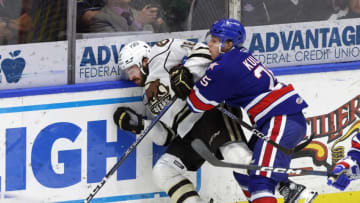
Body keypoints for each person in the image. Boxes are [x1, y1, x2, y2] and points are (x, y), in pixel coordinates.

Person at [170, 18, 315, 203]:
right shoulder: (241, 55)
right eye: (210, 39)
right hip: (281, 119)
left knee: (261, 181)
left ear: (228, 44)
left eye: (215, 41)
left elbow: (196, 104)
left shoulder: (223, 67)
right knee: (245, 174)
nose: (209, 45)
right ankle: (288, 187)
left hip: (280, 120)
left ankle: (286, 186)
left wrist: (182, 84)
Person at [113, 39, 252, 203]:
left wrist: (186, 72)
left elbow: (204, 50)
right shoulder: (147, 98)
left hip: (208, 112)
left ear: (144, 61)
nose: (130, 77)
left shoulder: (161, 51)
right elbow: (166, 136)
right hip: (188, 134)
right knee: (163, 171)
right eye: (127, 72)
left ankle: (283, 188)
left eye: (132, 70)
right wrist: (140, 125)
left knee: (237, 157)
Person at [86, 0, 167, 33]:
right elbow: (118, 46)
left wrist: (158, 25)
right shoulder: (99, 19)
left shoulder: (142, 14)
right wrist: (138, 23)